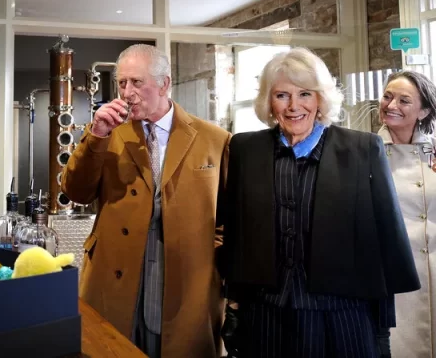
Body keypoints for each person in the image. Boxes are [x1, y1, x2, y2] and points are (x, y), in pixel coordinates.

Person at [219, 48, 420, 358]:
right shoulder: (246, 149)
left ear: (321, 99)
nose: (294, 106)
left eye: (305, 94)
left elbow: (383, 242)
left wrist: (382, 330)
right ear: (269, 102)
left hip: (343, 316)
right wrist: (234, 307)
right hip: (266, 316)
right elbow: (235, 235)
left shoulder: (362, 149)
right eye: (282, 95)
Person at [61, 43, 230, 358]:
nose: (126, 92)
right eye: (121, 83)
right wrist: (97, 136)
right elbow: (76, 192)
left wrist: (211, 263)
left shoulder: (215, 140)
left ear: (164, 84)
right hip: (115, 273)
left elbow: (229, 218)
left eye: (136, 82)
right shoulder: (105, 132)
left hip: (186, 281)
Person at [377, 70, 436, 358]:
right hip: (394, 278)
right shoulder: (364, 152)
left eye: (404, 100)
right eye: (387, 96)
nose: (391, 105)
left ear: (424, 111)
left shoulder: (434, 150)